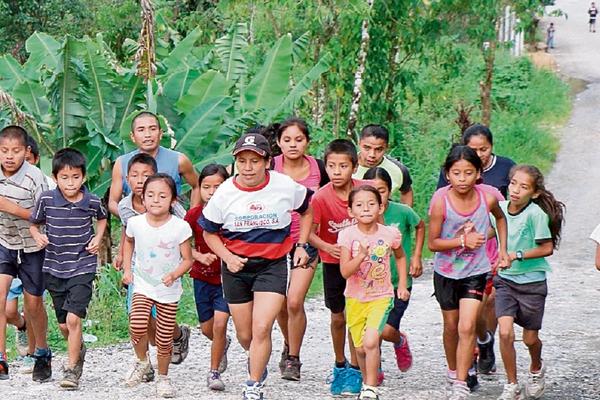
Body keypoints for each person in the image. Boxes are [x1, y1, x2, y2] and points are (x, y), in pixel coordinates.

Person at [199, 132, 313, 400]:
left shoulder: (285, 186)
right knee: (245, 333)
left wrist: (301, 244)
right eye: (242, 161)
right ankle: (257, 365)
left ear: (267, 162)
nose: (248, 167)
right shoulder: (225, 192)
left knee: (262, 327)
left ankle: (253, 385)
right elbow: (208, 233)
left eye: (254, 161)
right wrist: (227, 257)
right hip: (236, 268)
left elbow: (307, 210)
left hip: (271, 265)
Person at [428, 145, 509, 400]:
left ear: (478, 174)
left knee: (466, 326)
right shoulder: (441, 201)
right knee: (451, 326)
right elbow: (433, 243)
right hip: (446, 272)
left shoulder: (488, 198)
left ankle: (461, 383)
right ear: (448, 175)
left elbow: (502, 218)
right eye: (456, 173)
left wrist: (503, 250)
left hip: (476, 271)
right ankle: (454, 370)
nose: (462, 179)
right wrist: (462, 242)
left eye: (468, 173)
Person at [29, 148, 108, 389]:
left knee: (74, 319)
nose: (70, 182)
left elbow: (102, 217)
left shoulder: (92, 201)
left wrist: (98, 238)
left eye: (75, 177)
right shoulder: (46, 200)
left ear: (83, 177)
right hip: (53, 267)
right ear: (55, 178)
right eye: (64, 177)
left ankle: (72, 370)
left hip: (82, 265)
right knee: (64, 325)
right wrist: (37, 237)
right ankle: (78, 348)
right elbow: (34, 223)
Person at [494, 165, 564, 400]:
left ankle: (536, 368)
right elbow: (492, 234)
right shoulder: (500, 209)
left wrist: (517, 255)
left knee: (530, 339)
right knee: (505, 333)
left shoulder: (536, 214)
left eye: (523, 187)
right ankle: (512, 384)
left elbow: (546, 248)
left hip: (532, 284)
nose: (515, 190)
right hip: (505, 281)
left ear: (534, 193)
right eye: (513, 183)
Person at [115, 153, 190, 372]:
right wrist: (125, 265)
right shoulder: (129, 212)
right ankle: (143, 363)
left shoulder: (178, 220)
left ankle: (164, 372)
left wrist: (176, 273)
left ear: (171, 199)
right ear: (127, 179)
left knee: (162, 335)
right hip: (142, 278)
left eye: (145, 175)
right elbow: (128, 235)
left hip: (167, 283)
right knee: (137, 321)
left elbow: (185, 252)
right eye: (134, 175)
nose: (156, 200)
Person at [338, 185, 410, 400]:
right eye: (359, 205)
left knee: (371, 342)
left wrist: (403, 284)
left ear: (380, 208)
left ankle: (370, 388)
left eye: (371, 204)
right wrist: (359, 257)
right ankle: (367, 378)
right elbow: (344, 272)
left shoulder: (389, 234)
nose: (366, 209)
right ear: (351, 211)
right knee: (360, 348)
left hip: (381, 296)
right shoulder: (346, 236)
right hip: (354, 298)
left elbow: (400, 256)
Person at [310, 139, 369, 396]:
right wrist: (326, 246)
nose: (336, 171)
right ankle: (339, 363)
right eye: (331, 166)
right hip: (333, 263)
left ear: (354, 167)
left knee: (357, 317)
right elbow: (309, 233)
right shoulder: (321, 197)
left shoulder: (364, 192)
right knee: (338, 316)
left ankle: (357, 368)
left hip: (361, 264)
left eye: (343, 166)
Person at [272, 118, 328, 381]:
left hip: (307, 242)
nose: (293, 145)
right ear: (278, 142)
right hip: (272, 242)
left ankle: (293, 358)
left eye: (299, 140)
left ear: (307, 141)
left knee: (294, 300)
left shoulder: (319, 168)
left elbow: (334, 195)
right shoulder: (270, 167)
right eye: (287, 140)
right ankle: (287, 342)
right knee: (281, 304)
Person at [363, 167, 425, 376]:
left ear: (390, 191)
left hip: (399, 282)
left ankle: (399, 340)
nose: (377, 196)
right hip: (371, 284)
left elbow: (420, 225)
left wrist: (416, 256)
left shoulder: (402, 211)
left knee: (387, 329)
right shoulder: (361, 216)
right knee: (373, 328)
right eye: (371, 191)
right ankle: (375, 368)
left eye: (381, 190)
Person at [0, 126, 50, 381]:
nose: (9, 156)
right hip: (4, 241)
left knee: (33, 304)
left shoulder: (35, 178)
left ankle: (41, 352)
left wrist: (13, 209)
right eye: (4, 150)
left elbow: (43, 215)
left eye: (16, 151)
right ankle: (1, 359)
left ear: (26, 152)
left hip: (33, 246)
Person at [184, 164, 231, 391]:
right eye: (206, 187)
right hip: (201, 277)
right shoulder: (194, 215)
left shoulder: (234, 213)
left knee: (220, 323)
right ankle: (222, 344)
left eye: (218, 186)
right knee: (207, 328)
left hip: (227, 278)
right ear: (199, 189)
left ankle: (213, 372)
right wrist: (198, 256)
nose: (212, 192)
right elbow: (181, 245)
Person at [108, 111, 200, 216]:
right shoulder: (121, 163)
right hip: (134, 228)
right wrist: (130, 218)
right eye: (141, 130)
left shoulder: (179, 160)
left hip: (171, 226)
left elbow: (197, 186)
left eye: (152, 129)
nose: (147, 135)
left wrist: (191, 217)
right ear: (132, 136)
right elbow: (113, 202)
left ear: (160, 134)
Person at [352, 125, 413, 206]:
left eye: (379, 149)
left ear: (387, 148)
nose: (372, 155)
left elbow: (406, 191)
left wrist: (406, 215)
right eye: (367, 148)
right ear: (359, 144)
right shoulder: (345, 166)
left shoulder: (398, 170)